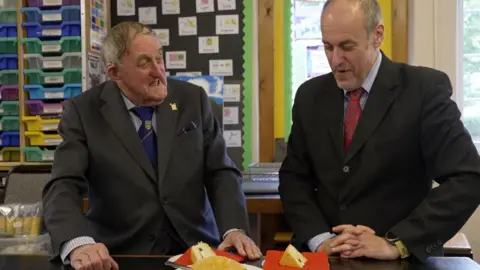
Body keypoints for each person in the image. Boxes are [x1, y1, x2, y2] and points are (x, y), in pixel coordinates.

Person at [42, 21, 261, 270]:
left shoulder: (193, 99)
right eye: (145, 63)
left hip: (197, 250)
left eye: (159, 58)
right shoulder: (83, 111)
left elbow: (221, 172)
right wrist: (78, 242)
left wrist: (233, 229)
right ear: (115, 73)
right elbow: (62, 184)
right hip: (119, 256)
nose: (159, 71)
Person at [279, 0, 480, 262]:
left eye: (347, 46)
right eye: (328, 46)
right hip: (323, 257)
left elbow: (468, 178)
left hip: (399, 261)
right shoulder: (309, 97)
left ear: (378, 35)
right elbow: (294, 178)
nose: (335, 59)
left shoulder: (423, 90)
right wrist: (320, 239)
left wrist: (397, 243)